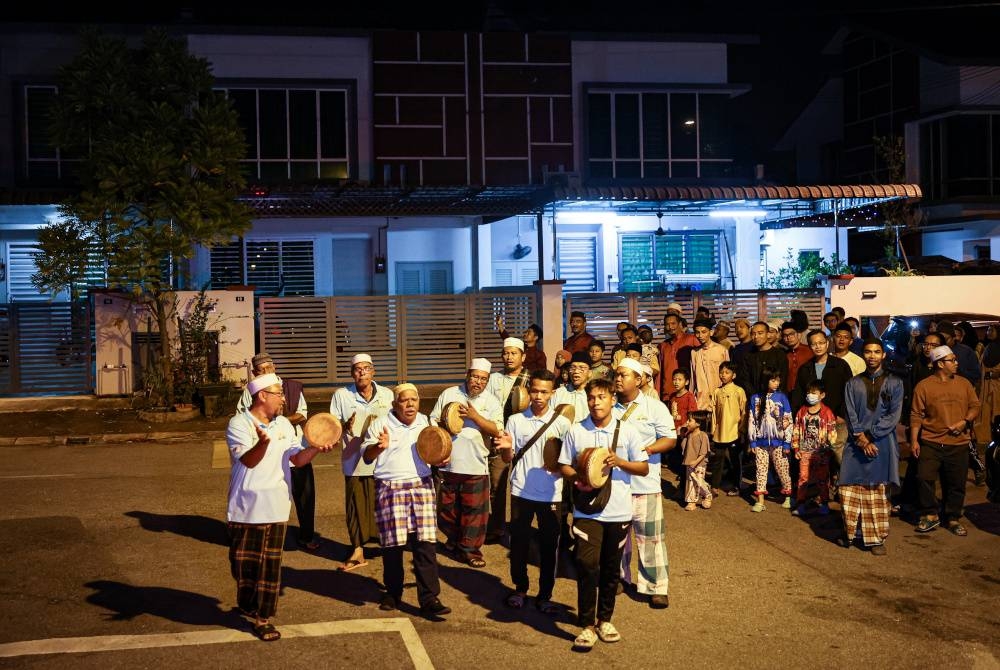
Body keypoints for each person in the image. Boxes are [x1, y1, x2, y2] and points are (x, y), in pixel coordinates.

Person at [226, 372, 333, 641]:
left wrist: (315, 448)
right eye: (279, 393)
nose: (284, 399)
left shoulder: (284, 424)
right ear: (262, 396)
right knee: (243, 566)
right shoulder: (239, 424)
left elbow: (297, 460)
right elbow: (248, 461)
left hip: (276, 506)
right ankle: (247, 601)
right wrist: (262, 444)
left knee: (270, 570)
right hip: (245, 507)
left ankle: (263, 619)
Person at [559, 378, 649, 651]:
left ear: (612, 399)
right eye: (591, 398)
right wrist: (577, 479)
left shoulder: (628, 431)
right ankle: (587, 625)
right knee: (586, 564)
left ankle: (604, 620)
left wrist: (619, 461)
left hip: (618, 511)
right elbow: (563, 465)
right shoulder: (577, 430)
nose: (595, 402)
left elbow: (643, 468)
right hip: (587, 510)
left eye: (601, 397)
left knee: (611, 569)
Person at [362, 384, 450, 617]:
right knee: (392, 546)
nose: (410, 404)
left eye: (414, 399)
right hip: (390, 488)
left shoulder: (426, 423)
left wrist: (441, 459)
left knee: (425, 545)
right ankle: (393, 593)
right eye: (404, 400)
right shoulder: (380, 424)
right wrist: (378, 447)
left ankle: (429, 598)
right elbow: (367, 456)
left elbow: (439, 453)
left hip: (421, 485)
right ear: (394, 404)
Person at [497, 369, 571, 616]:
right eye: (535, 391)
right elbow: (507, 458)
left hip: (551, 494)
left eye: (544, 392)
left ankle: (545, 595)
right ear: (528, 391)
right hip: (521, 490)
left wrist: (559, 467)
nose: (539, 396)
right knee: (518, 544)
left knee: (549, 547)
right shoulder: (515, 420)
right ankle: (520, 589)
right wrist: (506, 448)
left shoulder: (562, 424)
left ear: (552, 393)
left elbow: (568, 459)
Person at [236, 353, 318, 551]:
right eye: (261, 370)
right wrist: (266, 423)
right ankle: (264, 536)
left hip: (294, 448)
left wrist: (279, 421)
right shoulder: (251, 391)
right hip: (268, 455)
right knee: (268, 497)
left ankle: (306, 536)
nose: (266, 371)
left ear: (275, 367)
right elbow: (242, 414)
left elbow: (302, 414)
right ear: (254, 372)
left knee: (305, 497)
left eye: (269, 367)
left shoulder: (292, 387)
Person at [613, 358, 676, 610]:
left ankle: (656, 587)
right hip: (615, 485)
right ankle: (618, 578)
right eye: (617, 374)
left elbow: (669, 438)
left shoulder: (654, 407)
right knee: (617, 537)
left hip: (645, 484)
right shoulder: (609, 406)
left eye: (624, 375)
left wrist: (646, 450)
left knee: (650, 538)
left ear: (638, 380)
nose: (618, 379)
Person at [432, 358, 503, 568]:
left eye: (483, 379)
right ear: (467, 375)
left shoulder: (491, 401)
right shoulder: (449, 394)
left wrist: (475, 417)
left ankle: (470, 551)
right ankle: (455, 539)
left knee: (475, 512)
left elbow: (497, 430)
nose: (478, 382)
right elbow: (433, 420)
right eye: (475, 377)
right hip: (448, 463)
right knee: (445, 510)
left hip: (476, 465)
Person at [329, 353, 394, 571]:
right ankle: (357, 549)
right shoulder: (341, 395)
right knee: (355, 507)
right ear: (352, 374)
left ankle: (387, 545)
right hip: (354, 459)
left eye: (366, 369)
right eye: (357, 369)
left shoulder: (387, 394)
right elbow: (331, 425)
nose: (362, 373)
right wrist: (343, 426)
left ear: (373, 371)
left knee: (383, 504)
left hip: (382, 460)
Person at [838, 339, 904, 555]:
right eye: (868, 352)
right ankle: (851, 533)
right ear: (863, 354)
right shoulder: (852, 383)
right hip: (855, 443)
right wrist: (860, 437)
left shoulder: (895, 383)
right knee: (850, 487)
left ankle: (876, 539)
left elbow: (893, 415)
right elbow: (850, 413)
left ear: (883, 355)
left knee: (878, 490)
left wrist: (870, 436)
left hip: (882, 443)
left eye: (877, 352)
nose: (872, 356)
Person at [910, 345, 981, 536]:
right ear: (940, 364)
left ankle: (953, 517)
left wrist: (964, 421)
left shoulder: (964, 383)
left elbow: (975, 406)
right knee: (924, 477)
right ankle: (930, 514)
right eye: (952, 360)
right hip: (930, 441)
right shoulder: (924, 386)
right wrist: (914, 440)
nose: (956, 363)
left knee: (956, 483)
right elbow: (916, 415)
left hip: (958, 442)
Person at [485, 337, 532, 543]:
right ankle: (496, 527)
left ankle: (520, 526)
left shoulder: (531, 379)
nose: (509, 357)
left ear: (523, 356)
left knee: (522, 483)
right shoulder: (493, 379)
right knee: (496, 484)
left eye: (514, 353)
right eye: (506, 353)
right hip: (500, 436)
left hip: (524, 438)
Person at [747, 367, 794, 512]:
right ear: (765, 380)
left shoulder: (782, 398)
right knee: (760, 471)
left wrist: (787, 442)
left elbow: (788, 420)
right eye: (773, 380)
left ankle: (788, 496)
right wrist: (752, 441)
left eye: (778, 380)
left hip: (779, 442)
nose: (776, 383)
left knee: (782, 469)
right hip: (760, 443)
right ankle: (760, 501)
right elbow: (752, 420)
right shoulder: (755, 398)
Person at [791, 379, 837, 517]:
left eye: (814, 392)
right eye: (808, 392)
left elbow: (832, 433)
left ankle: (824, 503)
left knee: (822, 479)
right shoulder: (802, 411)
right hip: (804, 450)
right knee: (803, 478)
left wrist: (828, 449)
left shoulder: (827, 412)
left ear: (822, 395)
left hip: (821, 452)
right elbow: (796, 430)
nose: (810, 395)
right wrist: (796, 448)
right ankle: (801, 504)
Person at [737, 321, 788, 401]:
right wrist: (755, 397)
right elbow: (745, 380)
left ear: (767, 334)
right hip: (754, 399)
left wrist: (774, 397)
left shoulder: (779, 355)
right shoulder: (748, 356)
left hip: (775, 400)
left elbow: (783, 378)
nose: (756, 336)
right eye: (753, 334)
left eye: (760, 333)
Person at [659, 313, 698, 402]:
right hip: (667, 394)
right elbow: (661, 373)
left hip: (686, 393)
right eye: (667, 324)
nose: (670, 327)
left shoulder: (691, 339)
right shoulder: (663, 345)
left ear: (680, 324)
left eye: (673, 323)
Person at [691, 318, 729, 409]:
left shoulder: (722, 350)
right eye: (697, 332)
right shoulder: (694, 352)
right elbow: (693, 378)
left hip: (719, 396)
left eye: (704, 332)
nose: (700, 335)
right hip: (701, 400)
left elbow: (728, 374)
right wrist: (691, 398)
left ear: (711, 332)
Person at [682, 410, 713, 511]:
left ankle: (707, 494)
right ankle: (691, 501)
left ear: (698, 423)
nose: (687, 422)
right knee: (690, 482)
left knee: (699, 481)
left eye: (690, 420)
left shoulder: (703, 435)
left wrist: (695, 462)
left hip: (699, 464)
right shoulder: (688, 435)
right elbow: (684, 447)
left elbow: (703, 452)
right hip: (689, 463)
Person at [553, 351, 593, 422]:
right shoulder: (559, 393)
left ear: (590, 373)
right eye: (573, 368)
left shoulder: (593, 394)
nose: (576, 371)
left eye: (581, 368)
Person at [781, 322, 813, 394]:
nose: (788, 338)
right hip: (788, 393)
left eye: (791, 334)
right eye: (785, 335)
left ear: (799, 335)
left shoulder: (810, 351)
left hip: (807, 391)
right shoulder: (783, 354)